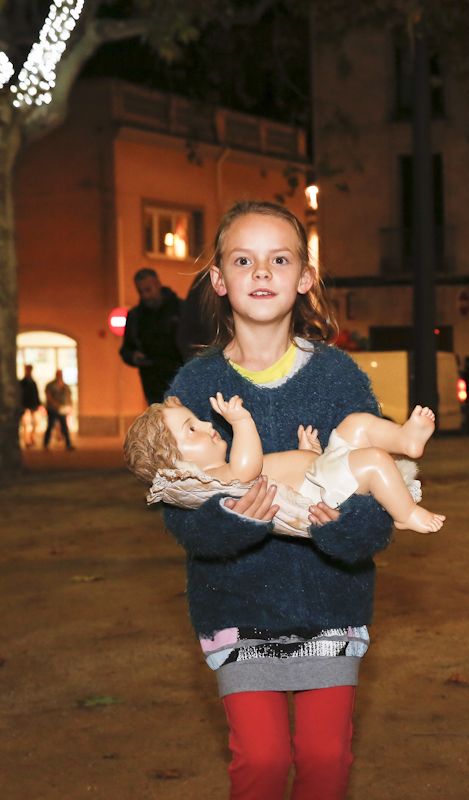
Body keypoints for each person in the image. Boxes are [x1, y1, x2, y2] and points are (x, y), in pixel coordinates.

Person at [158, 200, 397, 798]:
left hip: (330, 606)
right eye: (244, 259)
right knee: (261, 763)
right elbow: (180, 510)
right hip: (236, 611)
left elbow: (379, 491)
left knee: (325, 761)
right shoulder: (192, 388)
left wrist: (340, 525)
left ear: (304, 277)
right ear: (219, 279)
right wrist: (234, 519)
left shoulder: (339, 377)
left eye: (279, 259)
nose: (261, 272)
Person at [124, 394, 445, 532]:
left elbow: (276, 470)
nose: (208, 426)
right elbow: (247, 470)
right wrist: (241, 421)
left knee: (356, 423)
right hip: (322, 489)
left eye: (197, 420)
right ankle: (405, 512)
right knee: (374, 461)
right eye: (191, 429)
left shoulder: (225, 466)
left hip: (322, 471)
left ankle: (406, 440)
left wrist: (308, 453)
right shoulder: (215, 479)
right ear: (176, 463)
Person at [119, 267, 185, 404]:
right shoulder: (135, 316)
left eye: (148, 289)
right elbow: (126, 349)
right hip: (153, 387)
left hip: (182, 381)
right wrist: (134, 357)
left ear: (157, 284)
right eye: (141, 291)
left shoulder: (181, 309)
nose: (145, 296)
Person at [42, 369, 74, 451]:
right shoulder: (50, 385)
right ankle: (46, 443)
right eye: (58, 374)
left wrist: (69, 405)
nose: (60, 376)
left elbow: (69, 395)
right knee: (50, 425)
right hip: (52, 409)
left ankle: (68, 444)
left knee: (64, 426)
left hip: (62, 409)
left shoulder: (65, 385)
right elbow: (48, 396)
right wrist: (55, 404)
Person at [20, 364, 40, 448]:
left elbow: (36, 394)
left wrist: (38, 403)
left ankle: (31, 437)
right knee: (25, 423)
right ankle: (26, 440)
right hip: (24, 404)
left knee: (35, 422)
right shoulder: (22, 382)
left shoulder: (33, 382)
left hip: (32, 404)